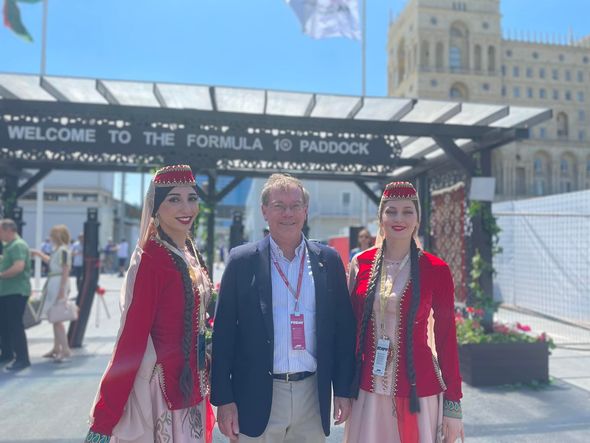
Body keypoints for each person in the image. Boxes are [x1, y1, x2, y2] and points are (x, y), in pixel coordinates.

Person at [211, 173, 356, 442]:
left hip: (312, 397)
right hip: (256, 396)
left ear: (305, 210)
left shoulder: (329, 261)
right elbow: (223, 334)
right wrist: (224, 400)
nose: (288, 213)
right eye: (279, 206)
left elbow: (343, 331)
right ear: (264, 211)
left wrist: (344, 390)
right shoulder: (241, 261)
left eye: (295, 206)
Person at [87, 165, 214, 442]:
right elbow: (131, 340)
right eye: (174, 199)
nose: (186, 208)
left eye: (192, 198)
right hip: (162, 394)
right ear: (156, 207)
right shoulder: (151, 260)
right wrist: (105, 419)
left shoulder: (189, 251)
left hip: (193, 385)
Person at [344, 181, 464, 443]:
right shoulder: (360, 263)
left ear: (418, 219)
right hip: (368, 390)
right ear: (381, 218)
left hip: (418, 391)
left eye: (408, 211)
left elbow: (446, 338)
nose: (399, 219)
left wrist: (453, 405)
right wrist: (342, 389)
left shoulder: (436, 269)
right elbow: (348, 332)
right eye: (391, 211)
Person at [31, 225, 74, 363]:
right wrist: (39, 254)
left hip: (57, 283)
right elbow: (53, 262)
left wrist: (62, 290)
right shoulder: (59, 250)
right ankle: (57, 348)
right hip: (55, 282)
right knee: (54, 316)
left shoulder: (63, 250)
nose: (50, 237)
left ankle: (65, 349)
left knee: (57, 318)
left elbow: (65, 270)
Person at [0, 218, 32, 371]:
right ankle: (7, 353)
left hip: (16, 291)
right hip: (7, 291)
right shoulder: (9, 246)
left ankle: (22, 358)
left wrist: (1, 274)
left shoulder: (17, 245)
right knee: (5, 324)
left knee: (15, 324)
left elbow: (19, 267)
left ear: (8, 230)